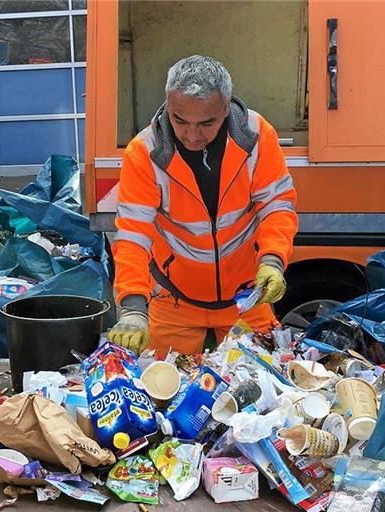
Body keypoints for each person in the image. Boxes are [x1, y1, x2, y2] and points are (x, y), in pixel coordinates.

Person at [108, 55, 298, 357]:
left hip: (247, 296)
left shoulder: (258, 136)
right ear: (168, 106)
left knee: (266, 389)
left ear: (226, 108)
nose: (192, 135)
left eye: (206, 123)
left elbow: (276, 206)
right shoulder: (144, 152)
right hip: (174, 299)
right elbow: (133, 235)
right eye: (179, 120)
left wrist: (272, 261)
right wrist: (132, 307)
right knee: (161, 387)